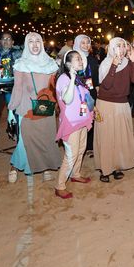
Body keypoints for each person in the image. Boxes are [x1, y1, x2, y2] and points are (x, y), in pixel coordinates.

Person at [7, 33, 61, 184]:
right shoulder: (21, 64)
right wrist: (11, 110)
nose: (35, 44)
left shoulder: (51, 64)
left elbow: (53, 87)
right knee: (25, 141)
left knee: (46, 138)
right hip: (27, 108)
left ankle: (44, 167)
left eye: (37, 41)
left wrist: (58, 105)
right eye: (31, 41)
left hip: (46, 107)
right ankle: (14, 166)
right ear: (26, 44)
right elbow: (17, 89)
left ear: (42, 44)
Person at [94, 37, 134, 182]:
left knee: (120, 137)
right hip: (106, 104)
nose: (122, 48)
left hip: (122, 104)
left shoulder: (127, 62)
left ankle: (116, 165)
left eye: (124, 45)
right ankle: (105, 168)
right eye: (118, 45)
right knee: (107, 136)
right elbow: (106, 85)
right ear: (112, 47)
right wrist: (114, 65)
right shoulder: (105, 63)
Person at [55, 51, 94, 198]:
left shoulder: (79, 78)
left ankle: (75, 174)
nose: (81, 61)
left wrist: (93, 109)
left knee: (81, 150)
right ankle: (59, 186)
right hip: (70, 123)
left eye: (81, 59)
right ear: (68, 64)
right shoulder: (64, 79)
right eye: (77, 59)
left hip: (82, 120)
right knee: (71, 155)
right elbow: (67, 99)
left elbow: (84, 98)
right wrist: (72, 79)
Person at [0, 32, 22, 141]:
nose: (6, 41)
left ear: (12, 42)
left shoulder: (18, 53)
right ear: (0, 41)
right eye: (3, 39)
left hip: (13, 86)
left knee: (13, 109)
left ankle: (12, 130)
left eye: (8, 39)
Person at [74, 34, 99, 156]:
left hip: (91, 93)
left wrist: (97, 91)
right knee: (81, 118)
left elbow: (96, 78)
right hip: (78, 93)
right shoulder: (74, 58)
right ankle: (79, 145)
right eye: (82, 43)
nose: (85, 45)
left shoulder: (93, 60)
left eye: (87, 42)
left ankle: (90, 145)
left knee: (91, 118)